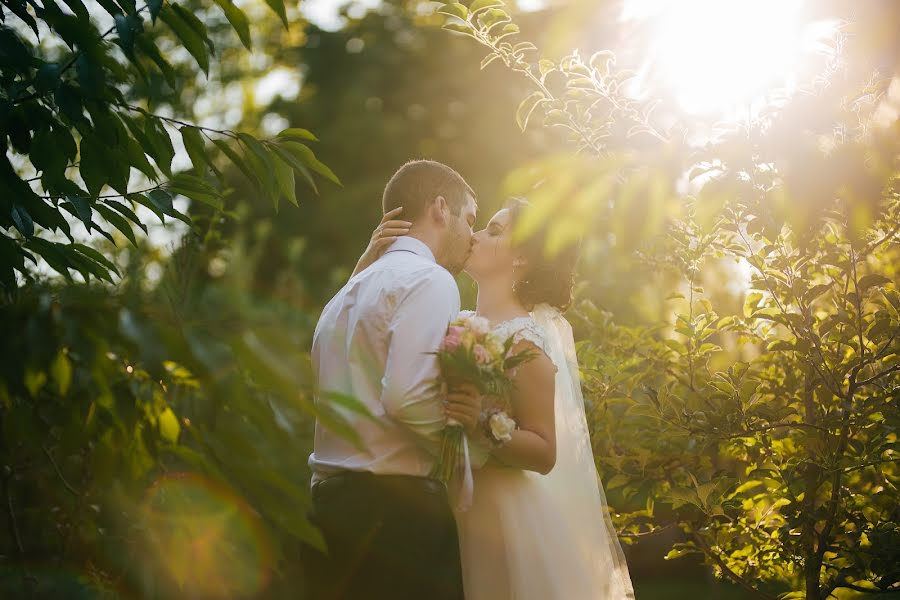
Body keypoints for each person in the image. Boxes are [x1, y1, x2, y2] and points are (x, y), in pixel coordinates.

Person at [356, 197, 636, 599]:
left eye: (494, 230)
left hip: (505, 522)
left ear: (521, 257)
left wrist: (481, 424)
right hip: (452, 509)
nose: (476, 235)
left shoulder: (527, 342)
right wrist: (369, 264)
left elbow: (544, 451)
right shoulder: (457, 322)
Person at [306, 159, 480, 600]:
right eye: (470, 219)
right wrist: (464, 460)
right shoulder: (430, 280)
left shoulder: (344, 294)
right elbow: (406, 397)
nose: (473, 237)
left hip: (329, 512)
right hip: (397, 521)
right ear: (441, 208)